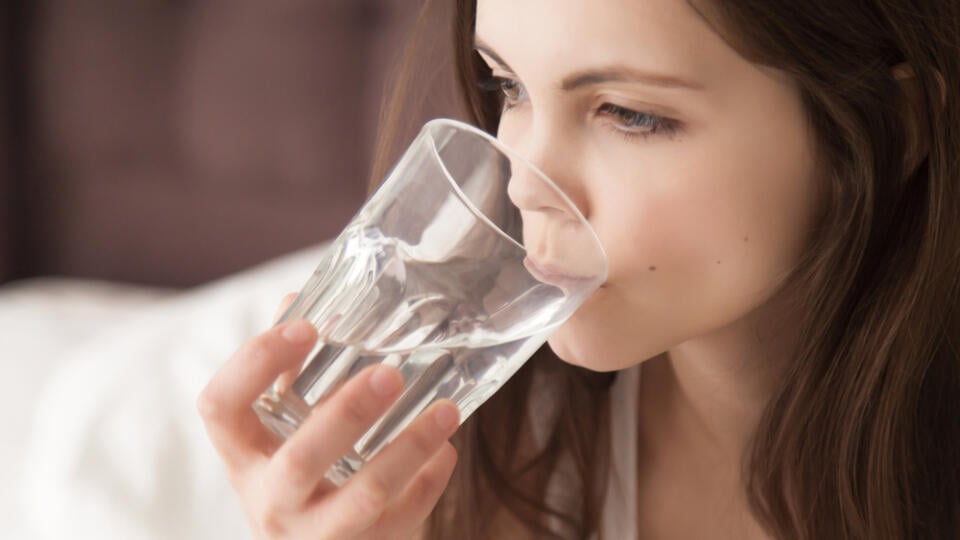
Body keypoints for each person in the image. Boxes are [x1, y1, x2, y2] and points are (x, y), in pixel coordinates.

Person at [197, 0, 960, 538]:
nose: (524, 184)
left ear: (898, 126)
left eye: (629, 113)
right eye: (507, 87)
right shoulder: (474, 440)